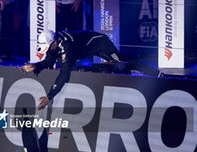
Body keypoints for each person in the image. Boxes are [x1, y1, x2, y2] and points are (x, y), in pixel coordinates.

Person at [20, 30, 164, 110]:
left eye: (48, 47)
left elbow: (64, 73)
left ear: (54, 42)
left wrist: (50, 96)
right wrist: (36, 66)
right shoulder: (54, 44)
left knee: (123, 64)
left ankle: (155, 73)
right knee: (68, 64)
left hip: (101, 43)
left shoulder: (66, 48)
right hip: (86, 47)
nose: (48, 50)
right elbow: (49, 60)